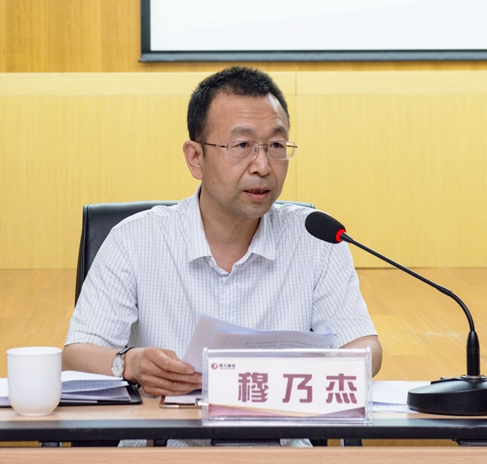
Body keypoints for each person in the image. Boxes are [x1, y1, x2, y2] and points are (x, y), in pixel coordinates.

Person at [63, 66, 382, 399]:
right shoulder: (134, 240)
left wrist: (307, 372)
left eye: (276, 145)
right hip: (166, 429)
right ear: (195, 158)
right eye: (242, 145)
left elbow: (365, 347)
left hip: (280, 428)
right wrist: (130, 364)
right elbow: (75, 355)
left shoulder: (317, 240)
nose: (263, 166)